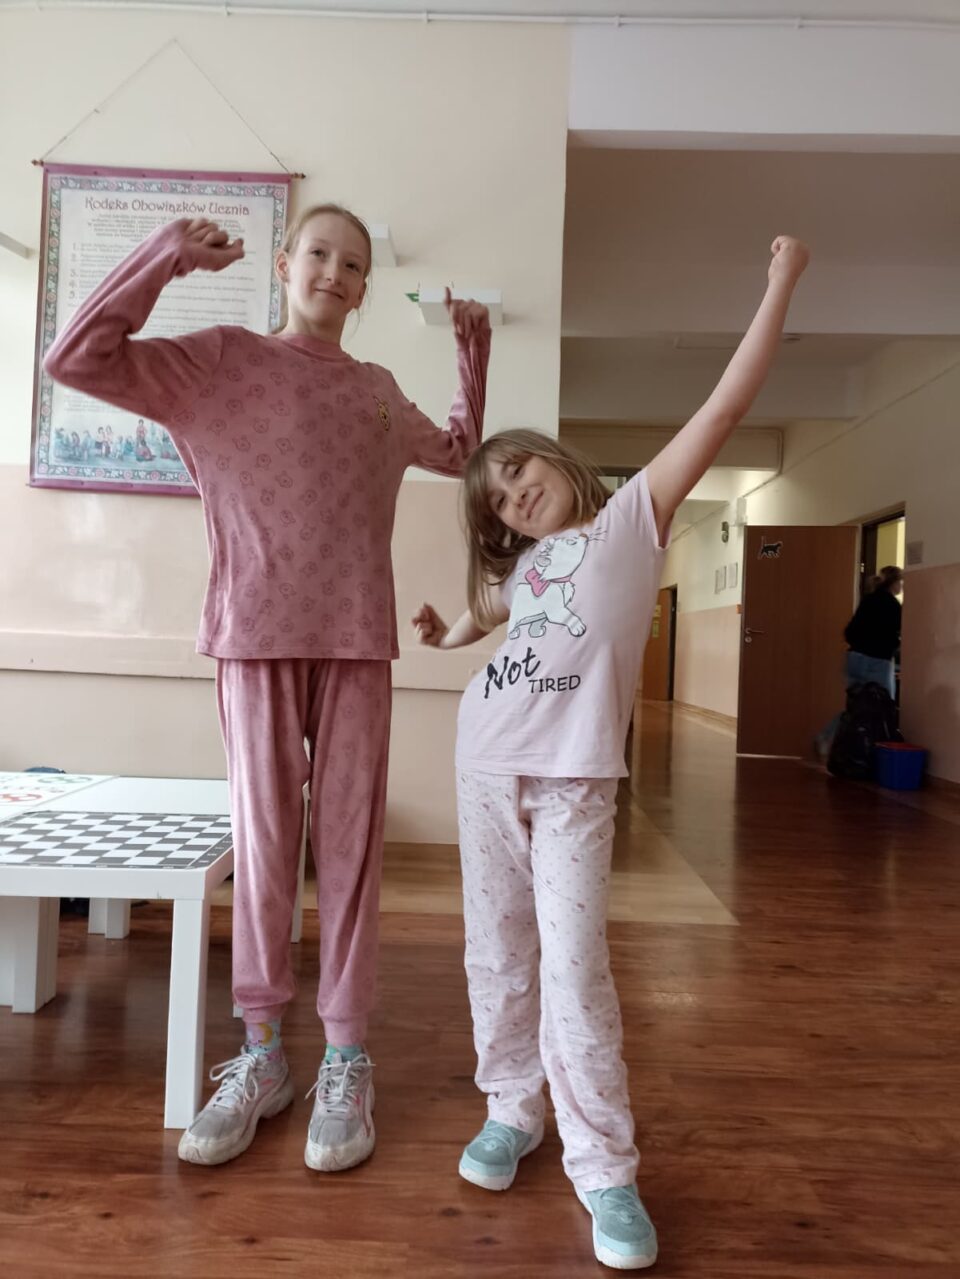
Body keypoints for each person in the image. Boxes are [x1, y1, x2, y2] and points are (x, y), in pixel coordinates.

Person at [44, 207, 491, 1171]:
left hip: (358, 642)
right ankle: (261, 1053)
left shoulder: (377, 391)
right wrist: (164, 257)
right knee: (266, 846)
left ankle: (346, 1053)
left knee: (351, 850)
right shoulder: (220, 361)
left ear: (365, 290)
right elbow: (76, 359)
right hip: (253, 637)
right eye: (320, 253)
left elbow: (459, 454)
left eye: (354, 265)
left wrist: (473, 356)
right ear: (285, 263)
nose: (336, 272)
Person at [414, 236, 810, 1271]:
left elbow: (723, 407)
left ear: (555, 457)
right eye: (496, 499)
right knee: (496, 952)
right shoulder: (527, 567)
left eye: (517, 470)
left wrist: (779, 283)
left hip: (576, 780)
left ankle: (603, 1165)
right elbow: (489, 612)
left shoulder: (633, 517)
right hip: (484, 763)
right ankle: (512, 1108)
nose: (513, 495)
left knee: (574, 965)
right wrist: (446, 634)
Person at [815, 563, 903, 758]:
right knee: (884, 705)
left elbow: (849, 631)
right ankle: (878, 754)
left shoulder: (868, 600)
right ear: (894, 583)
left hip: (854, 659)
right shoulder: (894, 606)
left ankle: (827, 737)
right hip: (878, 662)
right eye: (901, 583)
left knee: (855, 706)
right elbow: (897, 636)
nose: (901, 587)